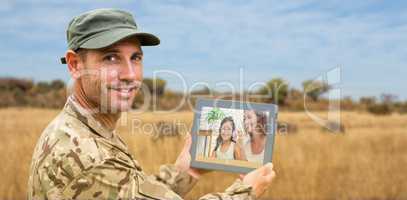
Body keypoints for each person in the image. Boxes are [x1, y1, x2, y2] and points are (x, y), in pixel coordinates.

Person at [27, 8, 276, 200]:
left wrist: (186, 172)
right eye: (110, 58)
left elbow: (133, 192)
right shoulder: (85, 153)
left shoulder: (86, 130)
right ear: (74, 65)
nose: (129, 74)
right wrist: (246, 191)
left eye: (135, 58)